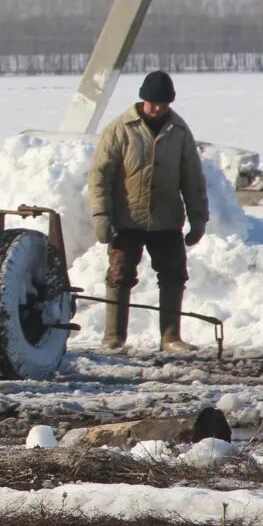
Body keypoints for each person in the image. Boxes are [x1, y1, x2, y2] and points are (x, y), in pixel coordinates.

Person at [85, 69, 209, 353]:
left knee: (174, 275)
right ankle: (114, 337)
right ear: (143, 100)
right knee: (119, 275)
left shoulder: (179, 132)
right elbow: (99, 175)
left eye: (163, 104)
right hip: (127, 220)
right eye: (153, 103)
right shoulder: (120, 129)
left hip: (166, 220)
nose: (157, 108)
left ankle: (170, 337)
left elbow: (192, 178)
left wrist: (198, 217)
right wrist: (101, 215)